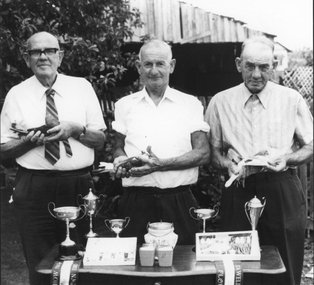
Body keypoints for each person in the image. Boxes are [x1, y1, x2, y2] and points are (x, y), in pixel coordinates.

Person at [205, 36, 313, 285]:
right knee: (236, 267)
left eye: (264, 67)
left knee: (285, 265)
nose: (256, 74)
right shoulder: (220, 102)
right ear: (238, 64)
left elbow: (311, 144)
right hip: (239, 188)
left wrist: (289, 159)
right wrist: (226, 164)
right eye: (250, 66)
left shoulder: (291, 99)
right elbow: (213, 154)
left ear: (273, 65)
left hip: (281, 188)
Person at [0, 32, 106, 285]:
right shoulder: (17, 94)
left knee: (84, 259)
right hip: (34, 187)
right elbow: (3, 151)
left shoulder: (81, 87)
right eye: (36, 52)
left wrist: (75, 129)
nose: (43, 56)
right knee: (40, 265)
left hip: (78, 185)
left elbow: (100, 140)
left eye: (50, 50)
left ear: (60, 56)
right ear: (27, 59)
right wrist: (28, 141)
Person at [112, 39, 210, 245]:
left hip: (179, 201)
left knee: (183, 268)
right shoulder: (124, 105)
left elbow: (202, 153)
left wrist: (160, 165)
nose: (154, 71)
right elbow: (118, 147)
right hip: (135, 202)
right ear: (139, 67)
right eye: (148, 64)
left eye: (160, 64)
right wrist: (120, 162)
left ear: (171, 66)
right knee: (135, 269)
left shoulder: (190, 104)